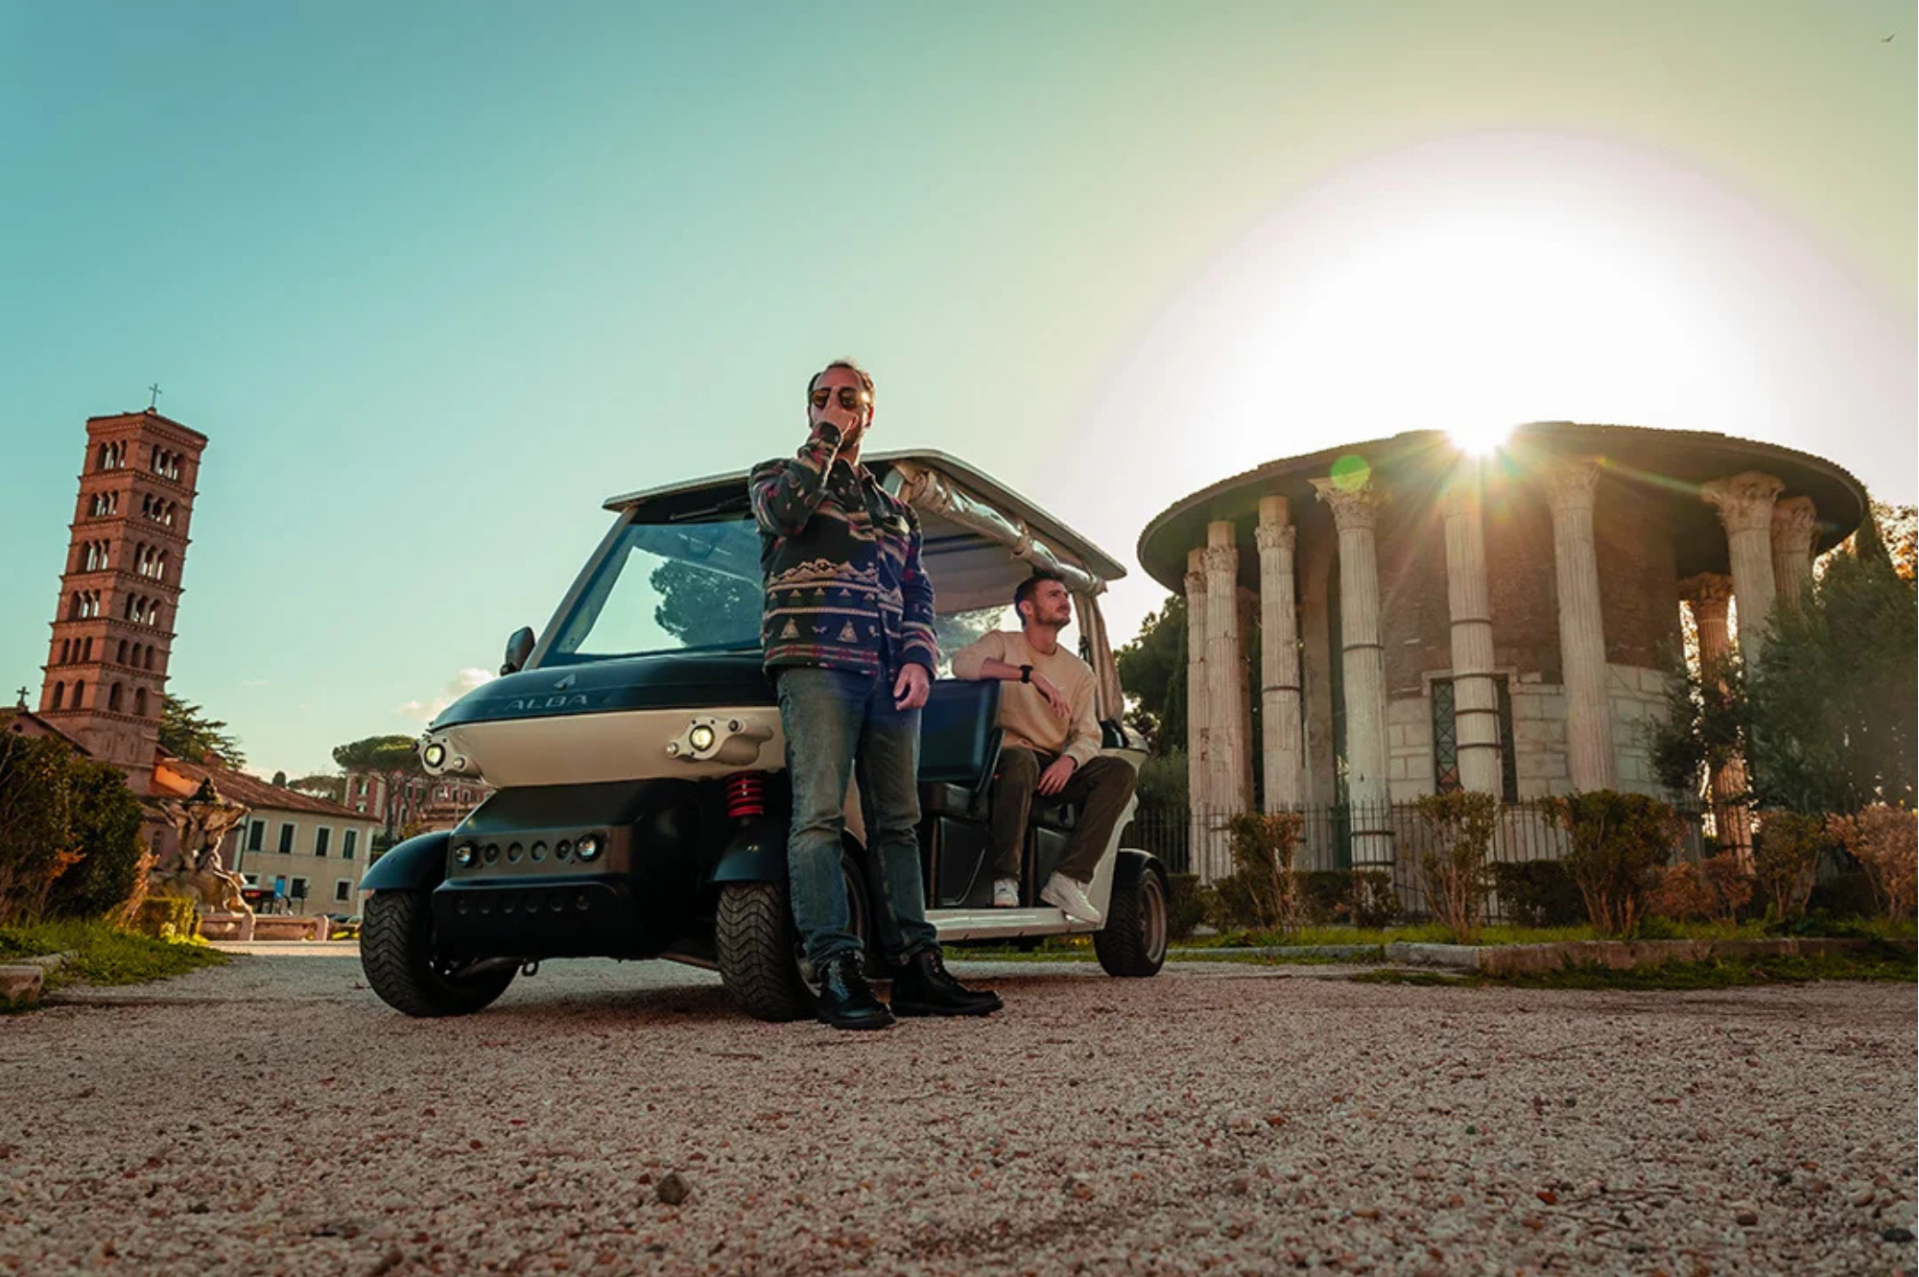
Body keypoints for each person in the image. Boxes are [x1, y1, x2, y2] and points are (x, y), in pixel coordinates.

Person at [748, 358, 1002, 1030]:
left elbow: (917, 590)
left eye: (847, 397)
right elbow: (783, 514)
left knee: (897, 822)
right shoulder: (776, 477)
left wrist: (920, 657)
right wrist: (823, 442)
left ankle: (917, 967)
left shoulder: (897, 512)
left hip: (889, 672)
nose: (832, 404)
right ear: (809, 411)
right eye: (821, 397)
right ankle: (836, 969)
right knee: (818, 816)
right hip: (816, 663)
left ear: (870, 412)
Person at [950, 571, 1138, 924]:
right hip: (1005, 760)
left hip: (1052, 767)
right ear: (1027, 608)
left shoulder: (1080, 672)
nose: (1064, 600)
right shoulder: (1003, 642)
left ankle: (1069, 879)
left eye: (1065, 595)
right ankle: (1005, 879)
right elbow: (961, 664)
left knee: (1119, 771)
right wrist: (1029, 675)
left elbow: (1088, 735)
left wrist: (1069, 761)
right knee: (1020, 760)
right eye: (1053, 594)